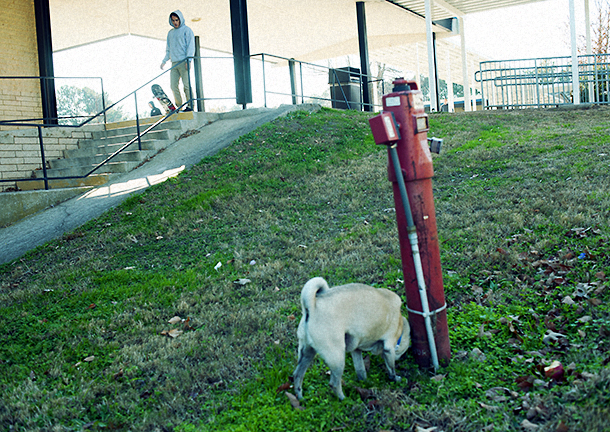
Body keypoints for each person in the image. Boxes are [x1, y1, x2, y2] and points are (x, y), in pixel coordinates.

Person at [160, 10, 195, 111]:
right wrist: (164, 61)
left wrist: (189, 60)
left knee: (186, 85)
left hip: (184, 62)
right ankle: (179, 106)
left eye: (176, 20)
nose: (175, 22)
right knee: (173, 85)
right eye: (173, 20)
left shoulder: (187, 30)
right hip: (174, 63)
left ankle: (190, 105)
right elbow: (169, 48)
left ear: (180, 19)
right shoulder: (170, 33)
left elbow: (190, 46)